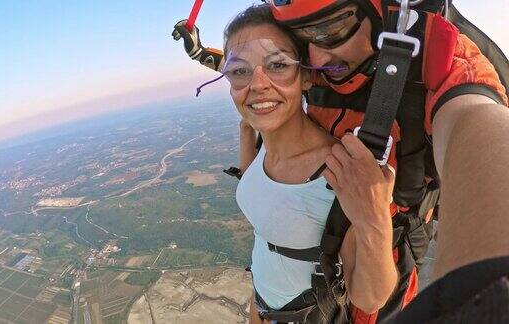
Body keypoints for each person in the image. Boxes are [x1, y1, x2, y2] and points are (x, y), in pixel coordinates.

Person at [173, 0, 508, 322]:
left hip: (371, 263)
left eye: (331, 28)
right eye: (302, 41)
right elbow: (259, 71)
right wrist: (201, 53)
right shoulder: (322, 66)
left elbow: (477, 121)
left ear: (383, 11)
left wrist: (486, 300)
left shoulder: (441, 61)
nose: (317, 56)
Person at [218, 4, 398, 323]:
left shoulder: (338, 171)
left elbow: (370, 298)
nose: (257, 84)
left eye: (277, 64)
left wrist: (375, 221)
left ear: (305, 77)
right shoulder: (255, 137)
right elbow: (263, 206)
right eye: (240, 71)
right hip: (260, 308)